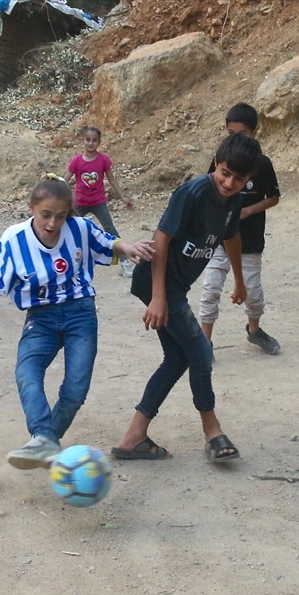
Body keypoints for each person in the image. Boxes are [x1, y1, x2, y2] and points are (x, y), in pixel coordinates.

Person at [0, 176, 152, 469]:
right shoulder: (13, 238)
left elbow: (109, 242)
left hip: (80, 314)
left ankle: (47, 442)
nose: (52, 223)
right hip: (41, 317)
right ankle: (43, 436)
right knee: (27, 371)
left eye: (60, 216)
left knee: (76, 389)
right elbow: (0, 281)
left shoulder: (80, 228)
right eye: (46, 215)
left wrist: (128, 248)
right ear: (31, 208)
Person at [112, 132, 262, 464]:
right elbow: (161, 240)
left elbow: (232, 238)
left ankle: (134, 438)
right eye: (224, 173)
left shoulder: (234, 201)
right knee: (199, 351)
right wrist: (159, 297)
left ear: (248, 180)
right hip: (159, 282)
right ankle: (213, 431)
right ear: (216, 164)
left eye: (238, 179)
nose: (229, 182)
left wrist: (239, 281)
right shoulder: (192, 193)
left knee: (177, 358)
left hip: (173, 287)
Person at [197, 103, 281, 355]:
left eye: (241, 134)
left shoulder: (262, 165)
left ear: (254, 132)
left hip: (250, 240)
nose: (235, 139)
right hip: (219, 240)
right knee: (211, 288)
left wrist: (248, 210)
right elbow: (210, 189)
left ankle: (254, 331)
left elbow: (274, 197)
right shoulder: (221, 160)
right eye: (230, 133)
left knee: (253, 291)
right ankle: (204, 343)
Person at [66, 126, 134, 276]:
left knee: (110, 229)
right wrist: (58, 195)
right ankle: (64, 262)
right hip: (79, 203)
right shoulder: (76, 161)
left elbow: (111, 179)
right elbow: (66, 179)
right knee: (68, 229)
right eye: (87, 140)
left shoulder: (103, 160)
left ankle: (124, 262)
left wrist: (122, 196)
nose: (90, 143)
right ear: (83, 140)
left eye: (94, 140)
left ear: (99, 142)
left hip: (98, 202)